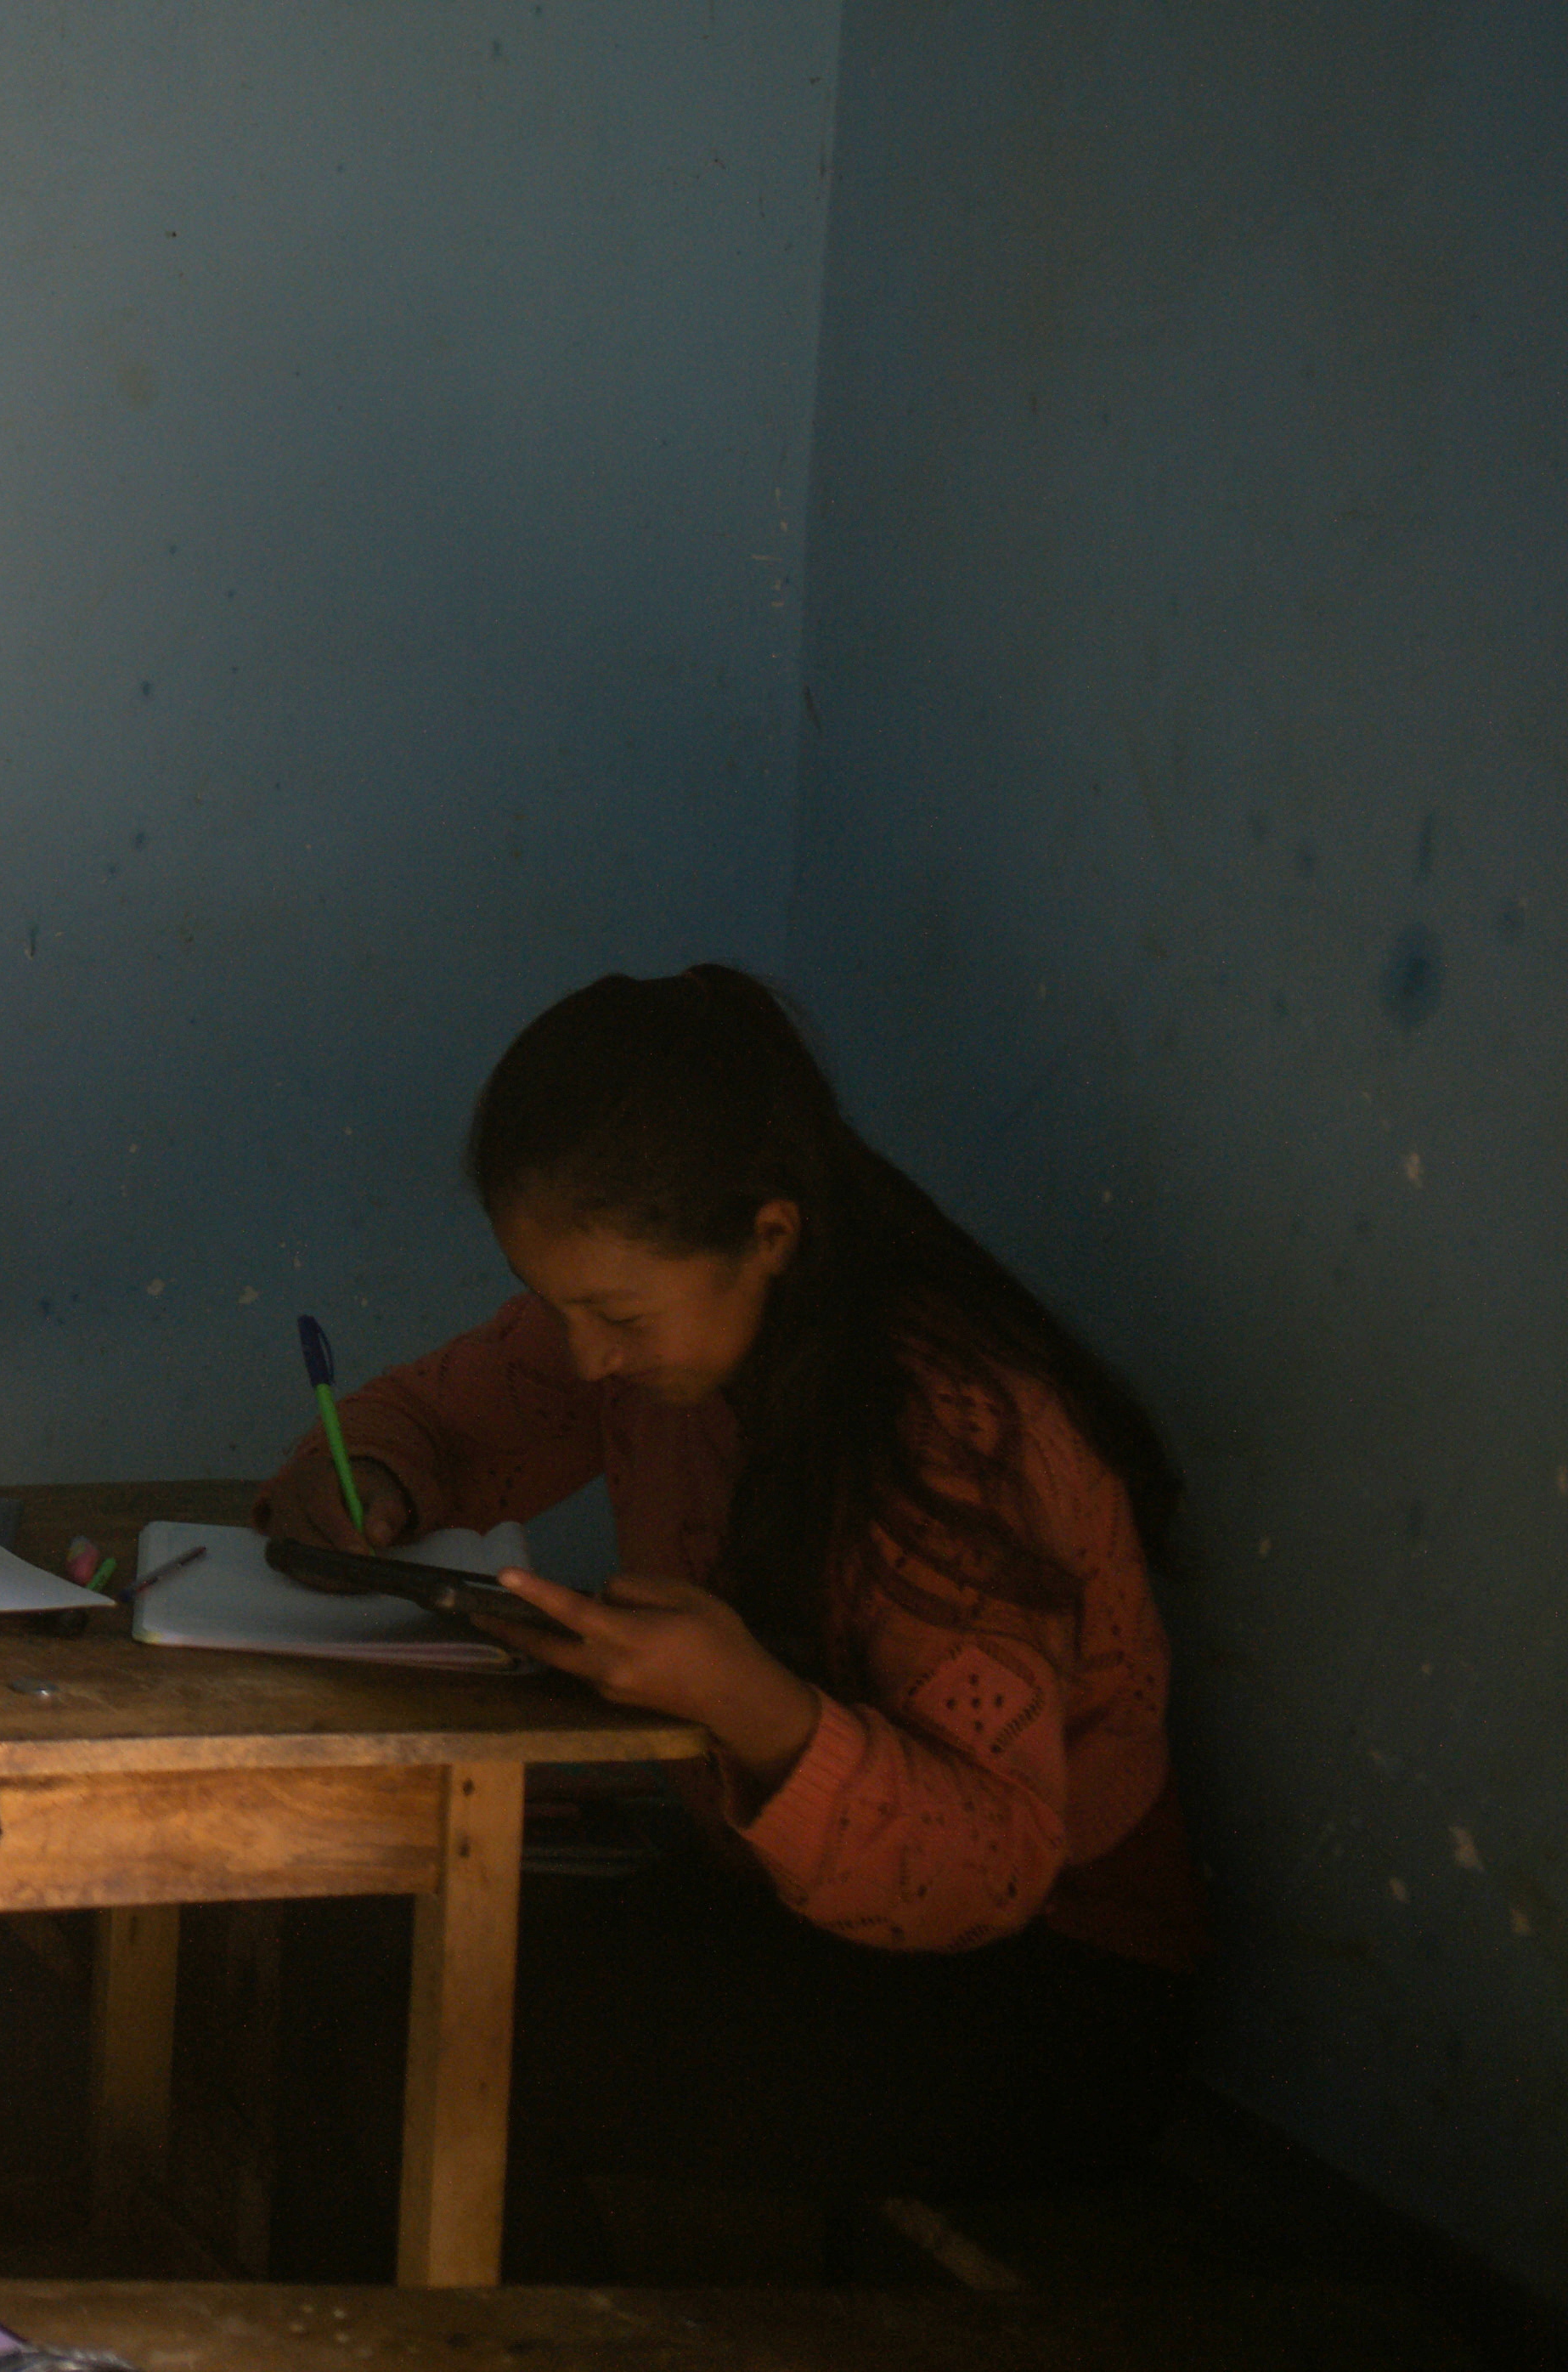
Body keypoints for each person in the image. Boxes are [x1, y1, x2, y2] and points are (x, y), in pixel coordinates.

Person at [264, 964, 1196, 2268]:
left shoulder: (949, 1426)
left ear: (769, 1235)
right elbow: (438, 1416)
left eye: (616, 1314)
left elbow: (993, 1859)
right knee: (331, 1986)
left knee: (427, 2060)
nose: (587, 1357)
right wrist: (371, 1478)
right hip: (782, 1911)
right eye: (558, 1305)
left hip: (1045, 1993)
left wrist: (745, 1702)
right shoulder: (660, 1330)